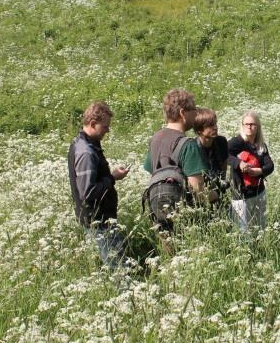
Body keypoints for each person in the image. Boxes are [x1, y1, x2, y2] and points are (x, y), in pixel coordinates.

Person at [68, 101, 130, 270]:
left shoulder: (83, 143)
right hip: (98, 221)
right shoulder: (86, 152)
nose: (108, 130)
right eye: (105, 127)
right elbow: (88, 193)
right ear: (93, 124)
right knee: (119, 269)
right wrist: (113, 178)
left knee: (117, 264)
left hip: (100, 219)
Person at [143, 89, 211, 237]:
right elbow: (198, 191)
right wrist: (215, 196)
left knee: (171, 255)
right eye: (194, 109)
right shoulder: (188, 144)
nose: (196, 114)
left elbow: (151, 169)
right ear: (182, 113)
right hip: (185, 219)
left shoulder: (155, 139)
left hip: (157, 209)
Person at [228, 111, 274, 232]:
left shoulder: (260, 145)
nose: (249, 126)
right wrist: (239, 163)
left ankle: (260, 249)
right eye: (246, 124)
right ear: (242, 125)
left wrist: (260, 171)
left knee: (260, 229)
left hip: (259, 192)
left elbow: (270, 165)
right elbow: (224, 154)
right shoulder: (237, 142)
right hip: (241, 195)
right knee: (243, 232)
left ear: (257, 127)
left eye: (252, 124)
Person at [193, 108, 230, 214]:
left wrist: (221, 183)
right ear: (199, 130)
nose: (215, 128)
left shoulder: (221, 141)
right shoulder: (193, 148)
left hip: (220, 191)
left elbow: (224, 165)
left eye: (215, 124)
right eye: (210, 125)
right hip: (202, 196)